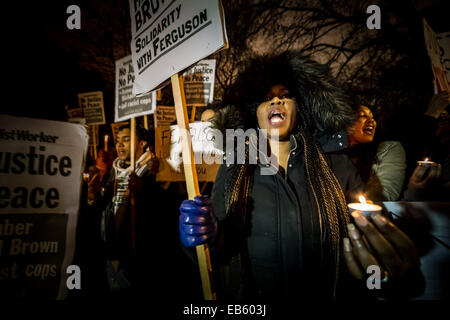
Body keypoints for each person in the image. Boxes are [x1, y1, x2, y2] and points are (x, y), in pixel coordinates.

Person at [179, 51, 423, 301]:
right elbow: (219, 249)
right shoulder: (234, 167)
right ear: (254, 112)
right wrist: (208, 234)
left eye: (285, 96)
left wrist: (383, 270)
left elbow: (372, 242)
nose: (276, 101)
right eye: (266, 98)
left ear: (302, 107)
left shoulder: (336, 164)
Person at [87, 123, 176, 298]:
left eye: (126, 140)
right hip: (112, 255)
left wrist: (145, 191)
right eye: (118, 140)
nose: (119, 144)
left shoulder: (156, 169)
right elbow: (106, 208)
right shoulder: (114, 170)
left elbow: (166, 211)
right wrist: (93, 197)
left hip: (139, 259)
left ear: (142, 143)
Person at [345, 105, 406, 201]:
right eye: (362, 115)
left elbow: (385, 196)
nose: (371, 121)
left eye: (372, 117)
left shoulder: (388, 149)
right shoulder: (327, 154)